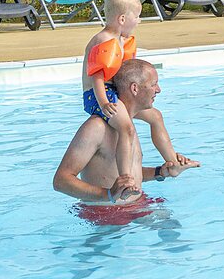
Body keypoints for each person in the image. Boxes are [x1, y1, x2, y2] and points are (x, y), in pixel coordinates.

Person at [54, 59, 199, 204]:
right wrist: (108, 194)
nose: (158, 90)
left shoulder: (127, 125)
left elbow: (122, 175)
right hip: (104, 213)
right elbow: (61, 181)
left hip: (138, 204)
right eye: (153, 84)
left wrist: (160, 172)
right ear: (135, 88)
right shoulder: (96, 128)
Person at [80, 0, 186, 182]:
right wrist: (104, 103)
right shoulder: (104, 40)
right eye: (136, 16)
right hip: (99, 95)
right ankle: (125, 177)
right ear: (122, 19)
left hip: (114, 93)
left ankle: (173, 162)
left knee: (155, 116)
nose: (139, 21)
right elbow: (97, 77)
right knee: (126, 129)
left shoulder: (120, 40)